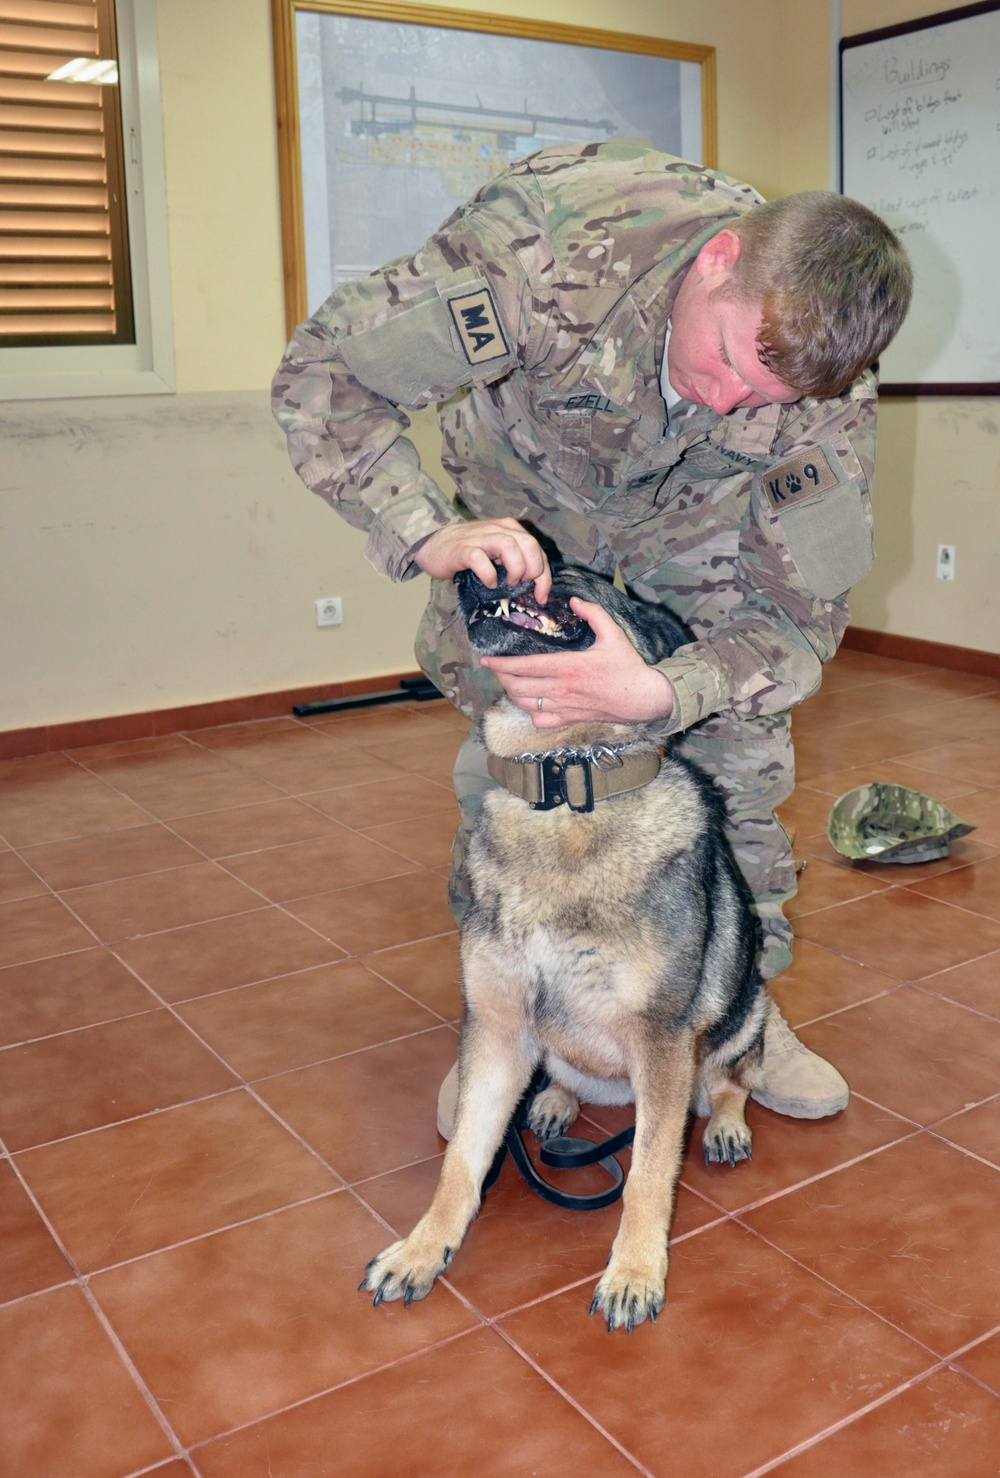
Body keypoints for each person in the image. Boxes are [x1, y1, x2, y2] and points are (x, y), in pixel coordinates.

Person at [272, 139, 912, 1134]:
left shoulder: (826, 393)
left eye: (769, 401)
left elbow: (793, 620)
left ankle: (738, 1021)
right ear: (717, 260)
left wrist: (663, 695)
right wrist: (430, 531)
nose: (734, 401)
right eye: (732, 361)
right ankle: (504, 1028)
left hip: (700, 553)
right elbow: (326, 382)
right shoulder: (540, 252)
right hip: (525, 525)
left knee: (734, 768)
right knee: (521, 786)